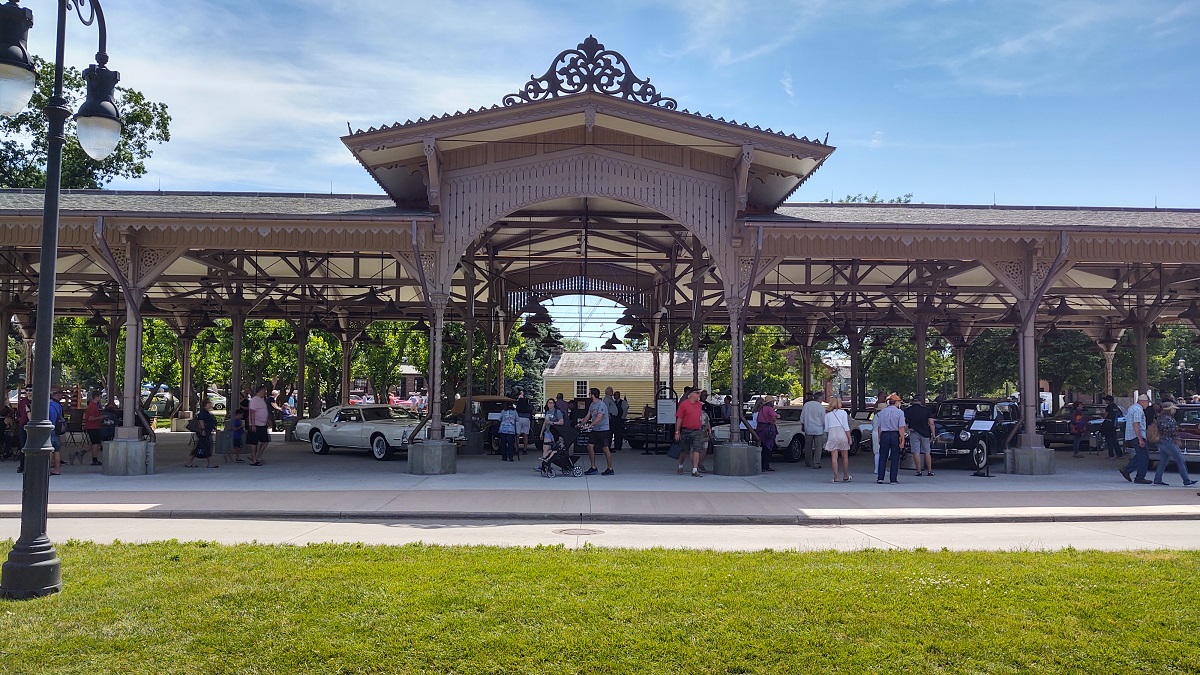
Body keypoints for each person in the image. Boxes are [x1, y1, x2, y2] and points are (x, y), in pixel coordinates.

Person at [1153, 402, 1196, 486]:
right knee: (1180, 460)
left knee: (1163, 461)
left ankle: (1157, 479)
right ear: (1170, 409)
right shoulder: (1169, 419)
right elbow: (1173, 432)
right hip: (1169, 442)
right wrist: (1177, 440)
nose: (1175, 410)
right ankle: (1186, 480)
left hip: (1160, 441)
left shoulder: (1159, 417)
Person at [580, 387, 613, 475]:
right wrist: (581, 424)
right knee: (590, 446)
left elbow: (599, 418)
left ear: (593, 395)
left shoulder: (601, 404)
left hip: (603, 430)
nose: (589, 395)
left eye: (590, 393)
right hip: (595, 430)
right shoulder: (592, 405)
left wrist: (589, 426)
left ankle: (610, 468)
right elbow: (588, 415)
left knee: (605, 449)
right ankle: (593, 467)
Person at [674, 388, 706, 477]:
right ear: (691, 394)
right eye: (697, 393)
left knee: (697, 449)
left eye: (699, 393)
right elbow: (679, 418)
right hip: (686, 430)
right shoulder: (684, 405)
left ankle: (694, 470)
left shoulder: (699, 405)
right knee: (684, 450)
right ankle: (680, 466)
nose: (698, 395)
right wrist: (677, 431)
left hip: (697, 430)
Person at [1119, 394, 1151, 484]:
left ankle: (1127, 470)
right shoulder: (1138, 410)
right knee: (1144, 457)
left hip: (1132, 435)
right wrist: (1140, 439)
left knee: (1140, 455)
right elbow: (1136, 424)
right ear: (1143, 401)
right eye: (1147, 402)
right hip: (1137, 436)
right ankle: (1139, 477)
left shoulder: (1132, 408)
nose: (1148, 405)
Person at [875, 394, 907, 484]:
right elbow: (901, 427)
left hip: (884, 434)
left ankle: (880, 477)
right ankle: (893, 479)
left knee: (883, 457)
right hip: (895, 434)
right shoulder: (900, 412)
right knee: (895, 457)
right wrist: (902, 440)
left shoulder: (882, 412)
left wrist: (879, 437)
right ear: (896, 402)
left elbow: (879, 427)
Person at [904, 395, 936, 477]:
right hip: (925, 433)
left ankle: (918, 471)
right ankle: (929, 471)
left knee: (916, 452)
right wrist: (933, 434)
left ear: (913, 401)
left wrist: (907, 430)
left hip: (914, 432)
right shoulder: (926, 410)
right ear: (921, 401)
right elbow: (931, 423)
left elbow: (904, 423)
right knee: (927, 452)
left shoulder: (908, 410)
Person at [824, 397, 852, 483]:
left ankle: (836, 477)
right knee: (844, 456)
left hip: (832, 434)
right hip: (842, 434)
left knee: (834, 457)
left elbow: (826, 429)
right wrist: (849, 438)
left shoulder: (827, 415)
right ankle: (846, 476)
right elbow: (846, 427)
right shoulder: (843, 413)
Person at [185, 399, 219, 468]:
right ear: (206, 404)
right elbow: (201, 421)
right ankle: (209, 463)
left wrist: (214, 429)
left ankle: (190, 462)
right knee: (207, 446)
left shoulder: (206, 412)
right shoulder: (203, 413)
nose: (211, 405)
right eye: (209, 403)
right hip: (204, 432)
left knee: (200, 446)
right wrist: (203, 430)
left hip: (206, 431)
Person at [801, 392, 826, 470]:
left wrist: (803, 425)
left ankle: (808, 461)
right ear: (820, 398)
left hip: (808, 428)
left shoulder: (806, 405)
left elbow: (802, 417)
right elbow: (824, 419)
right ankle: (816, 463)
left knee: (808, 446)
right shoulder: (821, 407)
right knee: (818, 447)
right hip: (818, 430)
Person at [248, 385, 271, 466]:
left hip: (262, 424)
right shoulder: (254, 400)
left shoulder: (262, 400)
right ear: (260, 391)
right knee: (254, 442)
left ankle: (257, 454)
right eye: (264, 391)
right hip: (256, 424)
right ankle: (254, 459)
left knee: (265, 440)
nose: (265, 392)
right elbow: (252, 412)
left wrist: (267, 419)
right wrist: (253, 424)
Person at [756, 395, 778, 473]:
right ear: (771, 402)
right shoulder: (769, 409)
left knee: (762, 448)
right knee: (768, 448)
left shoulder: (761, 409)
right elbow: (774, 417)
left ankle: (761, 465)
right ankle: (766, 465)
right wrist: (772, 421)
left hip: (760, 430)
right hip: (768, 430)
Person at [83, 390, 105, 466]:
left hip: (93, 426)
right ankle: (94, 459)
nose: (101, 398)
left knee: (95, 443)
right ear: (97, 397)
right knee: (95, 443)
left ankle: (83, 452)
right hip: (93, 427)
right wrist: (100, 417)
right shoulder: (93, 406)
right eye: (100, 396)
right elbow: (90, 418)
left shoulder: (93, 405)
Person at [539, 398, 565, 463]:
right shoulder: (547, 412)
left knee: (554, 448)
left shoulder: (557, 411)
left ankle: (548, 460)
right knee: (545, 447)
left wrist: (552, 423)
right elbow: (545, 423)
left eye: (551, 403)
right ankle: (544, 462)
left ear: (554, 404)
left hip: (554, 432)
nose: (550, 404)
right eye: (548, 403)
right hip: (547, 432)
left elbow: (561, 422)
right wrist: (541, 432)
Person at [514, 387, 531, 454]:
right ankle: (525, 449)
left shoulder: (519, 403)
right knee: (525, 434)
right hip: (526, 418)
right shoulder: (527, 402)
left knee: (517, 435)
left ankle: (516, 449)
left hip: (519, 418)